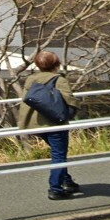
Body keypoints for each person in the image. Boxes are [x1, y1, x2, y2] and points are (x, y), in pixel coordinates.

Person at [18, 50, 81, 200]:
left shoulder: (31, 79)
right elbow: (69, 100)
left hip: (35, 124)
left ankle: (67, 181)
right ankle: (55, 189)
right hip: (55, 123)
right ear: (57, 64)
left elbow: (26, 99)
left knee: (58, 153)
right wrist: (72, 112)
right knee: (59, 155)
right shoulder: (59, 80)